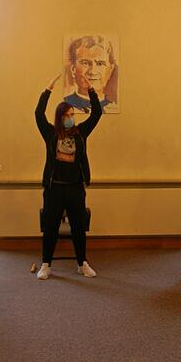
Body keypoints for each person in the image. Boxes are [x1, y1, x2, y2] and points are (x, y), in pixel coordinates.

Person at [35, 74, 102, 280]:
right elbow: (38, 113)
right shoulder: (50, 133)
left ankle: (82, 263)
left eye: (72, 114)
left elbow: (97, 113)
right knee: (51, 227)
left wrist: (90, 89)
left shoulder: (81, 132)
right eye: (66, 115)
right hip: (55, 187)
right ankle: (46, 264)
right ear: (59, 117)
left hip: (75, 188)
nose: (70, 118)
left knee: (79, 227)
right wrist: (48, 89)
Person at [63, 35, 118, 113]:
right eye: (85, 63)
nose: (93, 71)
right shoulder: (66, 106)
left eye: (100, 64)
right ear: (73, 69)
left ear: (110, 70)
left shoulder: (113, 107)